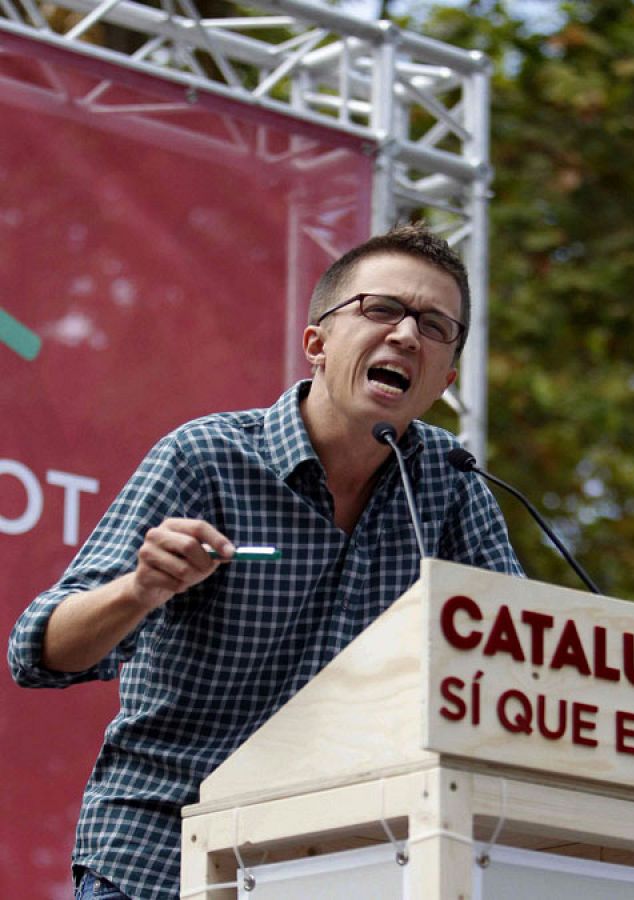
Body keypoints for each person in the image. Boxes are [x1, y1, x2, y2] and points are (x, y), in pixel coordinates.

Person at [8, 225, 524, 900]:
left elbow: (521, 662)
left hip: (337, 868)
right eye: (381, 310)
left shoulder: (453, 488)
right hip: (162, 856)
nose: (405, 335)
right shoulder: (207, 457)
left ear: (446, 378)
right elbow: (39, 651)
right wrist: (139, 589)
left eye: (433, 325)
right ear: (316, 343)